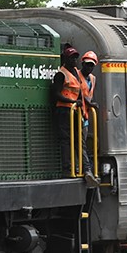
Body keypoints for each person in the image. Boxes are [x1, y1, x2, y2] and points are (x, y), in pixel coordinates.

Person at [51, 45, 84, 174]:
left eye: (75, 58)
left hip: (74, 111)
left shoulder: (76, 72)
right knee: (66, 139)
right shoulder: (61, 74)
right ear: (65, 59)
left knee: (77, 139)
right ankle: (68, 167)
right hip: (64, 110)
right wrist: (71, 101)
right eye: (71, 58)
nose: (74, 60)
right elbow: (56, 93)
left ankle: (79, 166)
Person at [79, 50, 99, 174]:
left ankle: (86, 167)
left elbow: (90, 94)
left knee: (84, 143)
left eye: (91, 65)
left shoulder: (92, 79)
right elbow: (79, 93)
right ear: (82, 64)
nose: (89, 67)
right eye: (87, 64)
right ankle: (85, 169)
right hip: (77, 114)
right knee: (80, 143)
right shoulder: (77, 75)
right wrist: (89, 103)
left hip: (85, 116)